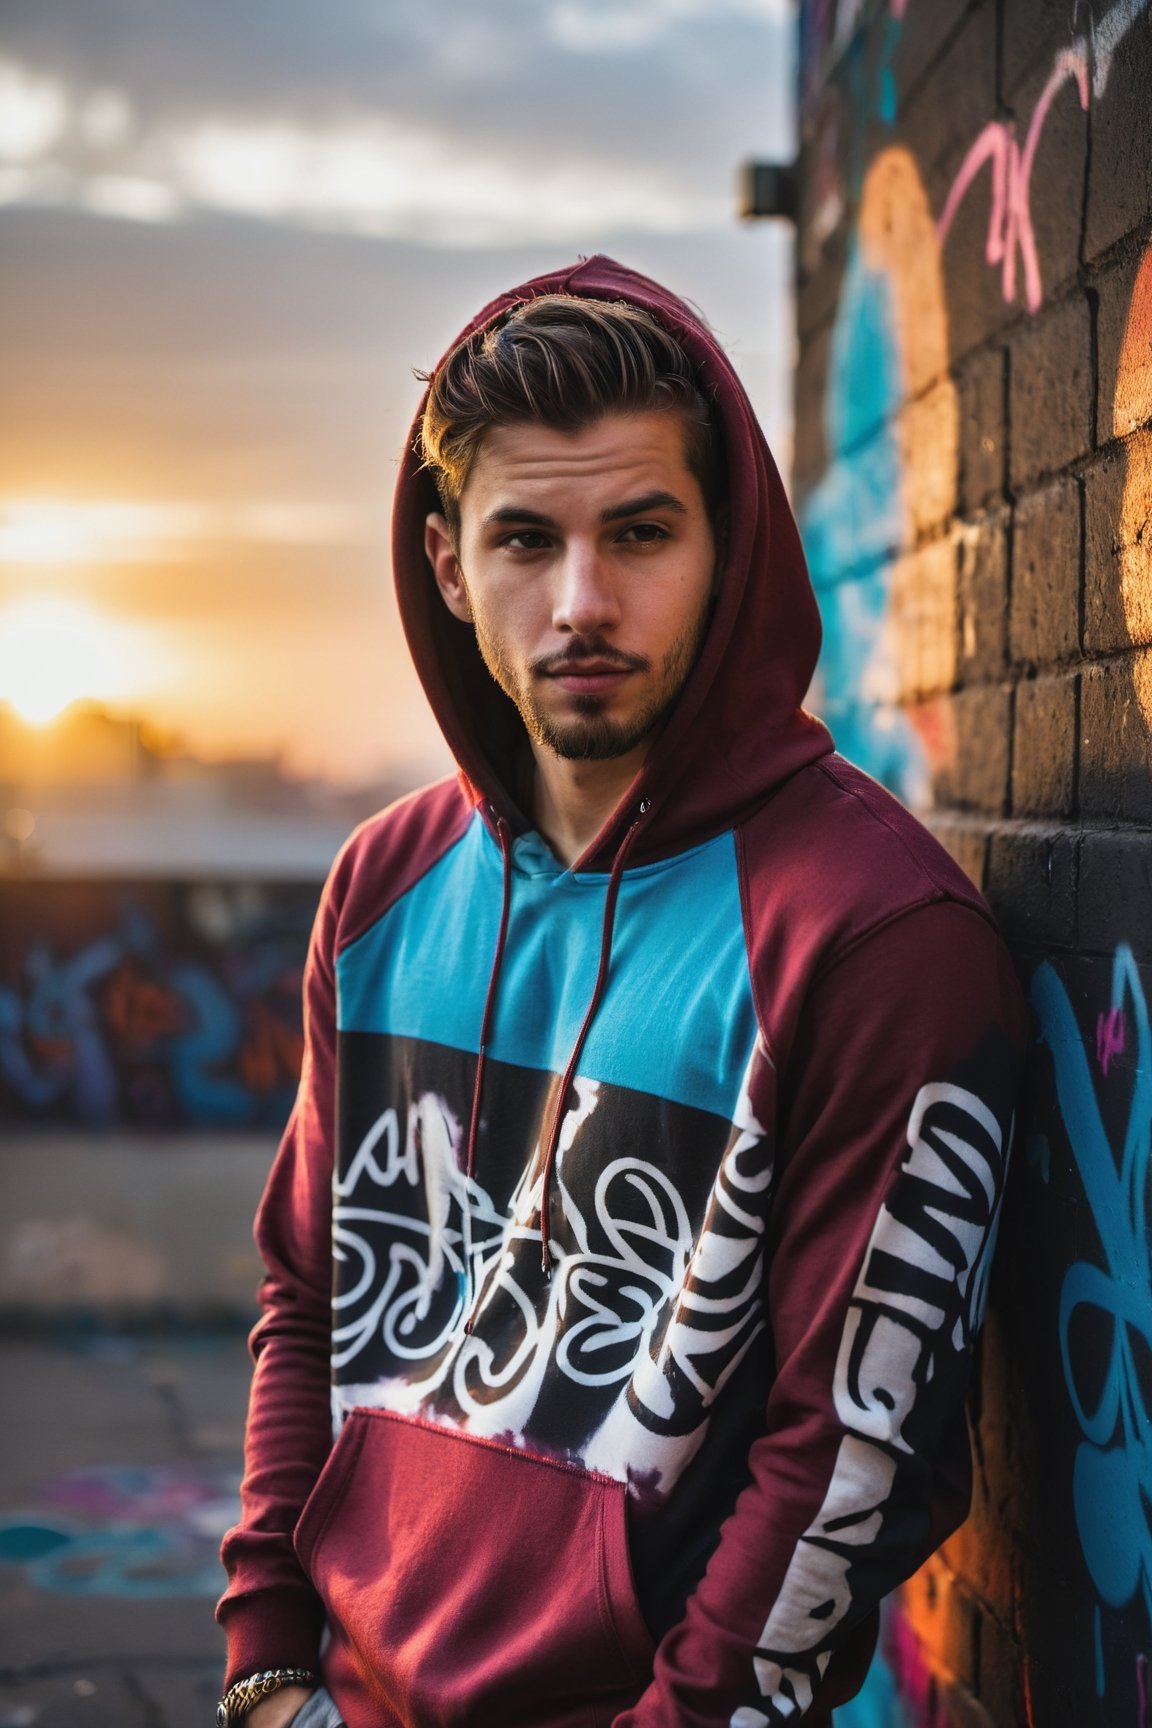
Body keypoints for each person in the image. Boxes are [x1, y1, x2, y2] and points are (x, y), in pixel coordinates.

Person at [216, 257, 1027, 1728]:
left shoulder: (873, 935)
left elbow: (849, 1452)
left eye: (641, 531)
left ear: (730, 547)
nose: (582, 601)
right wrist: (270, 1662)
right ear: (450, 565)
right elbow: (311, 1291)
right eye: (526, 539)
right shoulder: (384, 889)